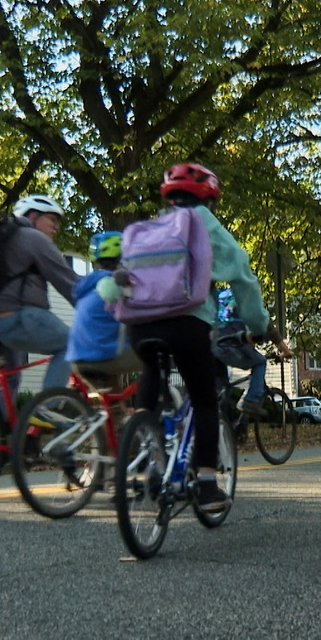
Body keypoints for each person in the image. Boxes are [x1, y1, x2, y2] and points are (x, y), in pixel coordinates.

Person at [124, 163, 269, 513]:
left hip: (140, 323)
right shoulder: (205, 222)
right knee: (204, 398)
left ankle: (140, 451)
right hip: (187, 321)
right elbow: (243, 276)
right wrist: (258, 324)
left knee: (151, 375)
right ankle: (206, 483)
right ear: (210, 197)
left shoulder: (150, 226)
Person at [0, 194, 79, 459]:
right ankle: (46, 408)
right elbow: (70, 285)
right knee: (70, 343)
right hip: (8, 319)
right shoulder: (33, 238)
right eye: (52, 219)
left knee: (9, 378)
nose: (56, 227)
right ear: (33, 216)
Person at [65, 231, 140, 392]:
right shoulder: (116, 284)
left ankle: (115, 415)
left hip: (77, 359)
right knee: (155, 360)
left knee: (112, 402)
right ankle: (146, 409)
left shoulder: (88, 287)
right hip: (102, 355)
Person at [211, 287, 292, 418]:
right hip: (231, 346)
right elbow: (269, 328)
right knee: (260, 362)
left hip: (211, 346)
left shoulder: (221, 296)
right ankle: (250, 400)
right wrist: (286, 351)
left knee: (222, 391)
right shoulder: (247, 298)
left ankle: (224, 429)